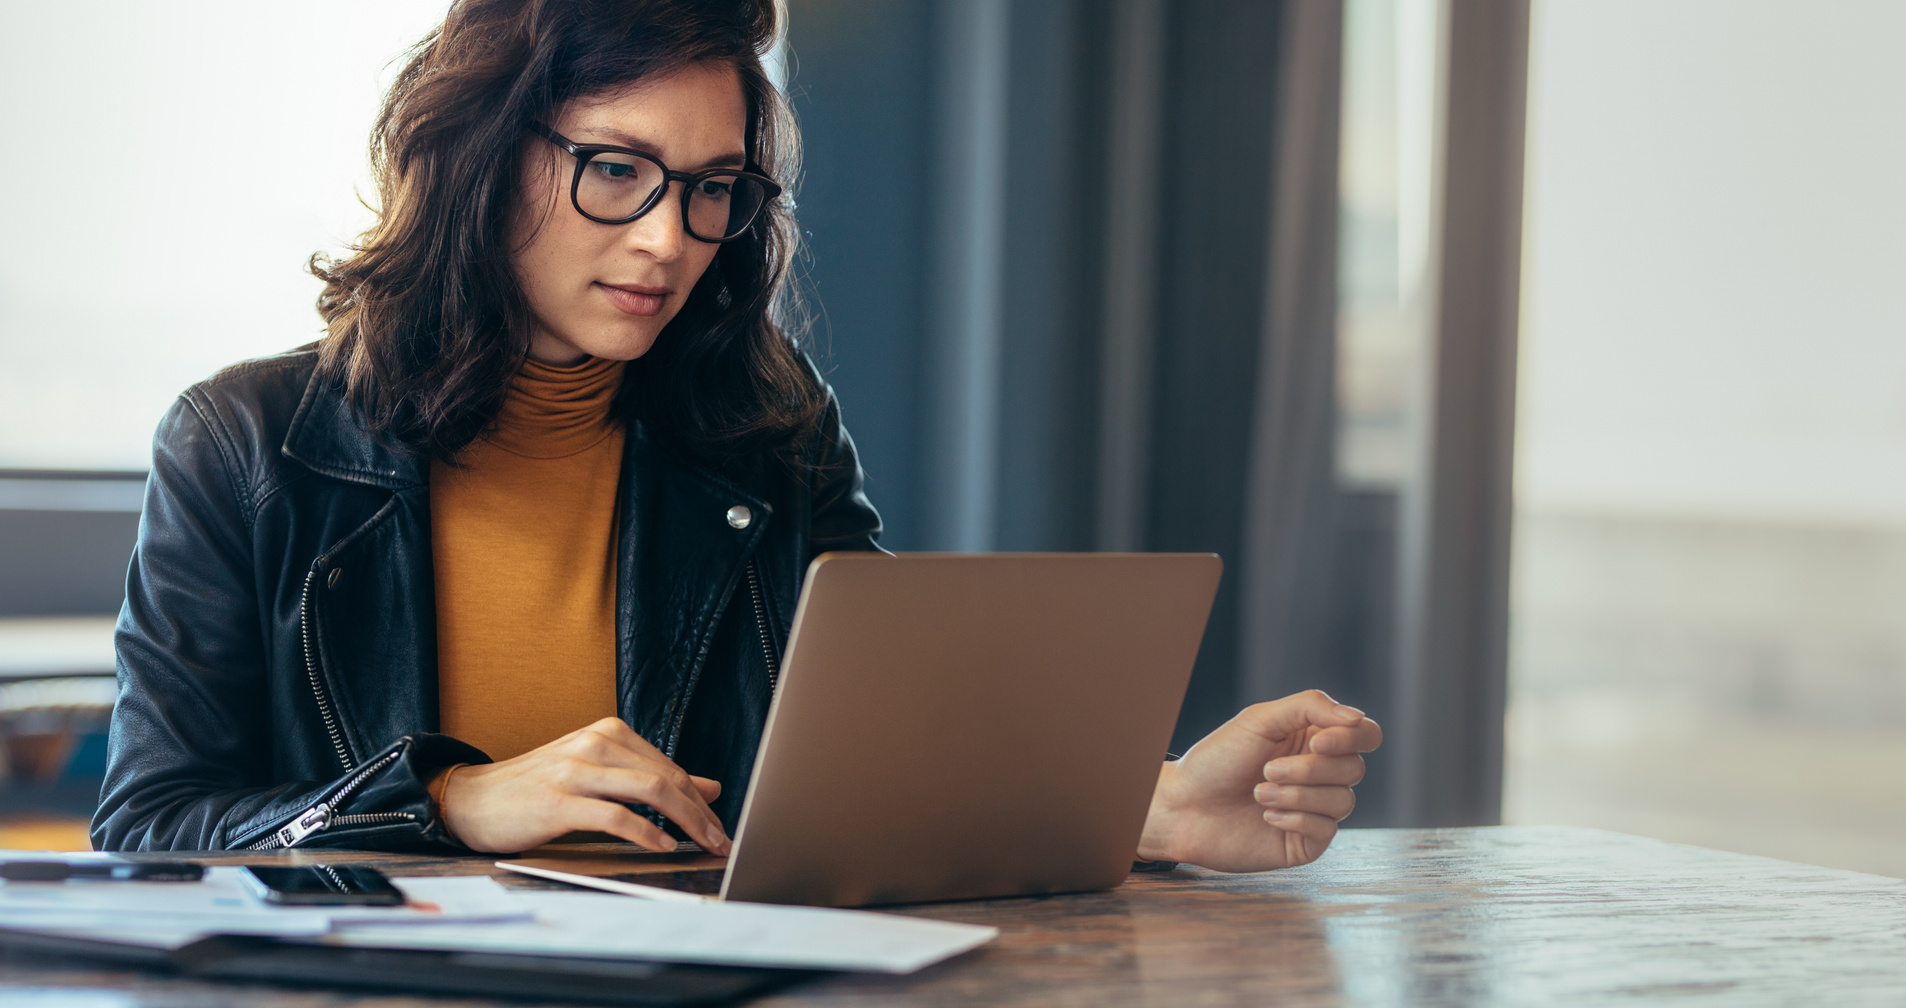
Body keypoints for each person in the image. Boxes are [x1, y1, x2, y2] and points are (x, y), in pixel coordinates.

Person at [91, 0, 1381, 874]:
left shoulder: (765, 424)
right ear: (479, 157)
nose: (668, 237)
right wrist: (446, 804)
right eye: (616, 169)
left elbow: (878, 763)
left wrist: (1147, 806)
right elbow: (150, 827)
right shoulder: (248, 444)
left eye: (713, 188)